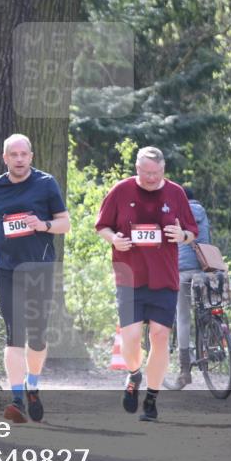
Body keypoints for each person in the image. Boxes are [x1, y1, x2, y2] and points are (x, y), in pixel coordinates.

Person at [95, 146, 197, 421]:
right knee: (130, 339)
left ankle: (151, 398)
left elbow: (191, 231)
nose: (152, 178)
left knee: (159, 337)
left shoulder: (175, 193)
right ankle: (134, 374)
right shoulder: (121, 191)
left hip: (164, 277)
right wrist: (114, 239)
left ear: (163, 170)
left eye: (157, 173)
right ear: (137, 169)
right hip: (129, 277)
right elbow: (102, 226)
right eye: (146, 173)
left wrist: (182, 235)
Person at [0, 134, 70, 423]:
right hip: (7, 269)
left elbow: (65, 223)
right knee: (13, 334)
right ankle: (16, 398)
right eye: (13, 155)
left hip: (39, 269)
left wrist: (43, 224)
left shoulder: (46, 184)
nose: (19, 159)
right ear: (5, 158)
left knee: (37, 336)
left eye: (23, 154)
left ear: (31, 156)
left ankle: (33, 386)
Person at [164, 186, 212, 390]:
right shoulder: (203, 213)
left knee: (182, 317)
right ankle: (212, 336)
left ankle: (185, 371)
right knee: (206, 307)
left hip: (182, 271)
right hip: (205, 270)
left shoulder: (175, 214)